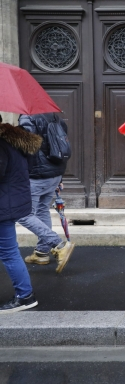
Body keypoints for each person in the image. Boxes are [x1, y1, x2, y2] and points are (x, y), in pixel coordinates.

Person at [18, 113, 74, 274]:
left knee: (23, 213)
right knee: (42, 210)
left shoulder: (27, 118)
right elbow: (60, 144)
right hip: (54, 174)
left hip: (37, 175)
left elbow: (26, 149)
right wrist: (60, 176)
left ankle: (58, 244)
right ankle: (42, 252)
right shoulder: (54, 116)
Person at [0, 115, 42, 312]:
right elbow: (29, 168)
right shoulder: (17, 140)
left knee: (9, 252)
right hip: (13, 200)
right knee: (9, 250)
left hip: (3, 204)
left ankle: (25, 295)